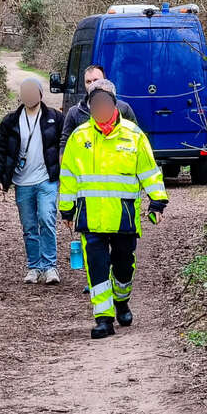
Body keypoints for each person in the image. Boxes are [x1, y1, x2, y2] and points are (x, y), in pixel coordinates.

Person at [59, 79, 168, 340]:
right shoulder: (79, 137)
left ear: (114, 105)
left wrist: (157, 201)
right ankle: (103, 319)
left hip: (123, 216)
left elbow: (149, 171)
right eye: (95, 104)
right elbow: (69, 176)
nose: (100, 108)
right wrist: (66, 209)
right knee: (96, 267)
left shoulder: (133, 135)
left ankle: (122, 300)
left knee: (123, 266)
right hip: (90, 216)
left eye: (104, 103)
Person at [0, 77, 65, 285]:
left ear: (41, 94)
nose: (29, 95)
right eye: (25, 92)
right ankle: (34, 267)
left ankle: (50, 266)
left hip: (47, 179)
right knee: (29, 226)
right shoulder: (10, 121)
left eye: (33, 91)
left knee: (46, 218)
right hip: (22, 181)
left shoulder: (55, 118)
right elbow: (1, 151)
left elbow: (64, 145)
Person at [60, 65, 138, 155]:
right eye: (88, 82)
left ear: (105, 81)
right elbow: (65, 143)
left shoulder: (123, 108)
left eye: (96, 80)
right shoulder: (75, 112)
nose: (92, 85)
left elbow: (135, 136)